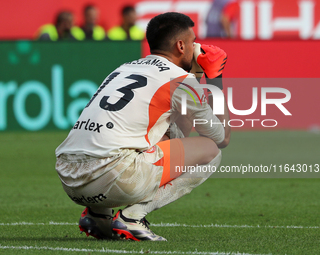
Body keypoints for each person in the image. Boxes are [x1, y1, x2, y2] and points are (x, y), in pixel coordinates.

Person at [55, 12, 231, 241]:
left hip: (69, 178)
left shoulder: (124, 68)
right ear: (180, 45)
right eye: (192, 41)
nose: (196, 46)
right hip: (112, 176)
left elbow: (178, 133)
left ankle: (99, 216)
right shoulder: (179, 81)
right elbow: (221, 138)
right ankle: (133, 217)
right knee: (211, 151)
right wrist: (215, 78)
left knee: (160, 135)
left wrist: (194, 74)